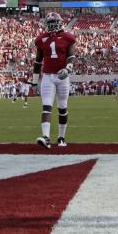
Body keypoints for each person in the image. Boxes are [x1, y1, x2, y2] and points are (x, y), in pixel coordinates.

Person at [32, 13, 76, 149]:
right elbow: (38, 61)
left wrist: (68, 69)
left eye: (54, 22)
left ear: (60, 23)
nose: (52, 25)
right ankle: (46, 137)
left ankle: (61, 137)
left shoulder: (68, 37)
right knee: (46, 106)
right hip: (48, 76)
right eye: (50, 22)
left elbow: (71, 56)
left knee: (62, 107)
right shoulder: (41, 39)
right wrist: (34, 81)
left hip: (62, 76)